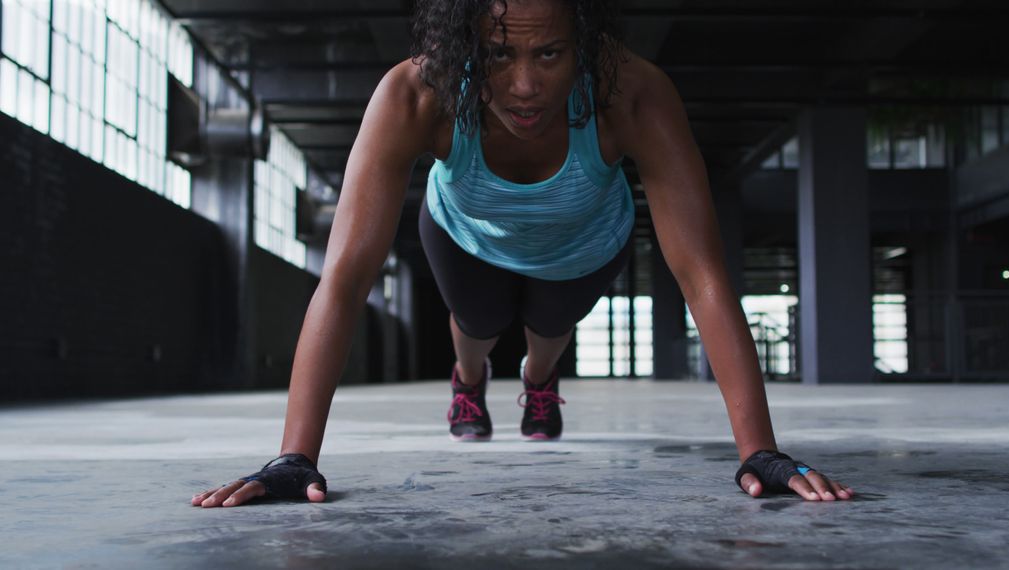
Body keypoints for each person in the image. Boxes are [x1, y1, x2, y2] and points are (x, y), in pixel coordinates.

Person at [191, 0, 854, 508]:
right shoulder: (417, 93)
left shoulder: (631, 93)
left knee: (547, 334)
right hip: (464, 239)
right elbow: (342, 279)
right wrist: (293, 458)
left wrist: (760, 451)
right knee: (476, 328)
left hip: (584, 245)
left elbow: (703, 276)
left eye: (550, 55)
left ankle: (540, 385)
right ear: (464, 44)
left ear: (585, 45)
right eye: (500, 54)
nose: (526, 84)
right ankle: (469, 383)